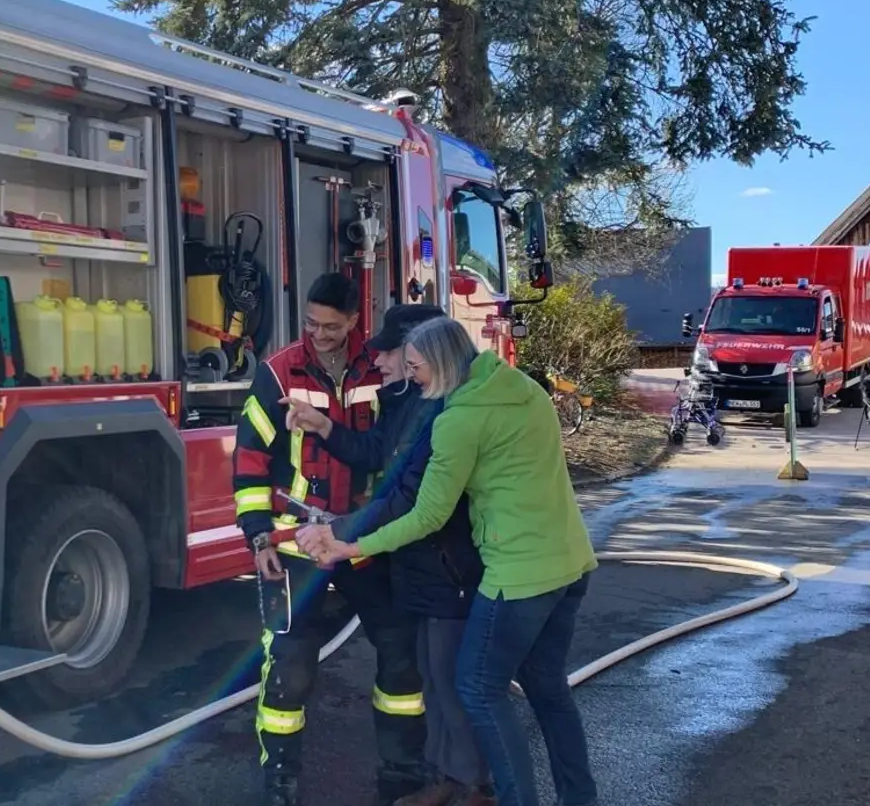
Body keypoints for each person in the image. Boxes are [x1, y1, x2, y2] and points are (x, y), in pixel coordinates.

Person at [299, 317, 600, 806]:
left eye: (415, 366)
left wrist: (350, 546)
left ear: (438, 363)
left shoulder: (460, 420)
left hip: (517, 577)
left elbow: (426, 514)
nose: (411, 376)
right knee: (548, 690)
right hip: (570, 563)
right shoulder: (524, 389)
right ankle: (578, 798)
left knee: (479, 690)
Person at [287, 305, 493, 806]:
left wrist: (341, 534)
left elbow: (406, 497)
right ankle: (446, 778)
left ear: (423, 354)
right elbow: (377, 453)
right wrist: (322, 426)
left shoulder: (445, 413)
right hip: (418, 566)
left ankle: (476, 788)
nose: (376, 358)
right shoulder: (408, 400)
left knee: (452, 684)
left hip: (448, 567)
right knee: (433, 679)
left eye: (390, 351)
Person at [232, 273, 426, 806]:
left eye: (331, 326)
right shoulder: (278, 374)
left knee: (401, 656)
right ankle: (279, 782)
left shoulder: (383, 366)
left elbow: (392, 451)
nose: (318, 334)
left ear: (355, 321)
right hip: (298, 546)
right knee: (289, 670)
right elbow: (248, 464)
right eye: (311, 324)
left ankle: (404, 775)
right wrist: (258, 538)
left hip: (369, 543)